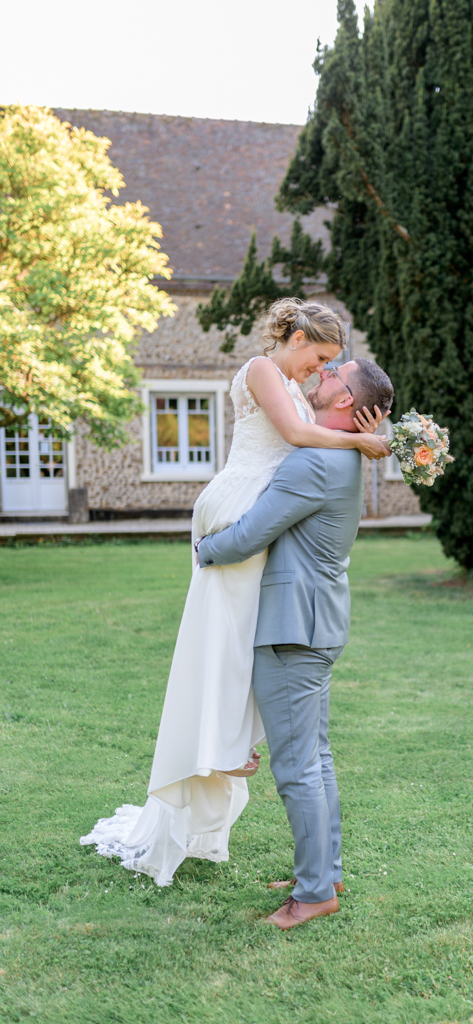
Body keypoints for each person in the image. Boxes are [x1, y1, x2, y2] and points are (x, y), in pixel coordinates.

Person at [81, 298, 392, 887]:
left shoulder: (316, 449)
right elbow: (298, 433)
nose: (321, 371)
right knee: (242, 652)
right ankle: (238, 756)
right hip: (272, 547)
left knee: (264, 684)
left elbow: (291, 467)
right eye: (321, 359)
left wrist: (365, 433)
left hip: (281, 577)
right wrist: (360, 442)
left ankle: (304, 866)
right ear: (297, 337)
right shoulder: (269, 378)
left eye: (331, 367)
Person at [195, 354, 394, 929]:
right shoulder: (341, 457)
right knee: (317, 758)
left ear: (345, 401)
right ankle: (324, 873)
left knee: (298, 768)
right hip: (317, 621)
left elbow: (252, 533)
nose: (320, 375)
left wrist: (206, 548)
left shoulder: (315, 462)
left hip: (293, 628)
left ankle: (313, 894)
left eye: (334, 374)